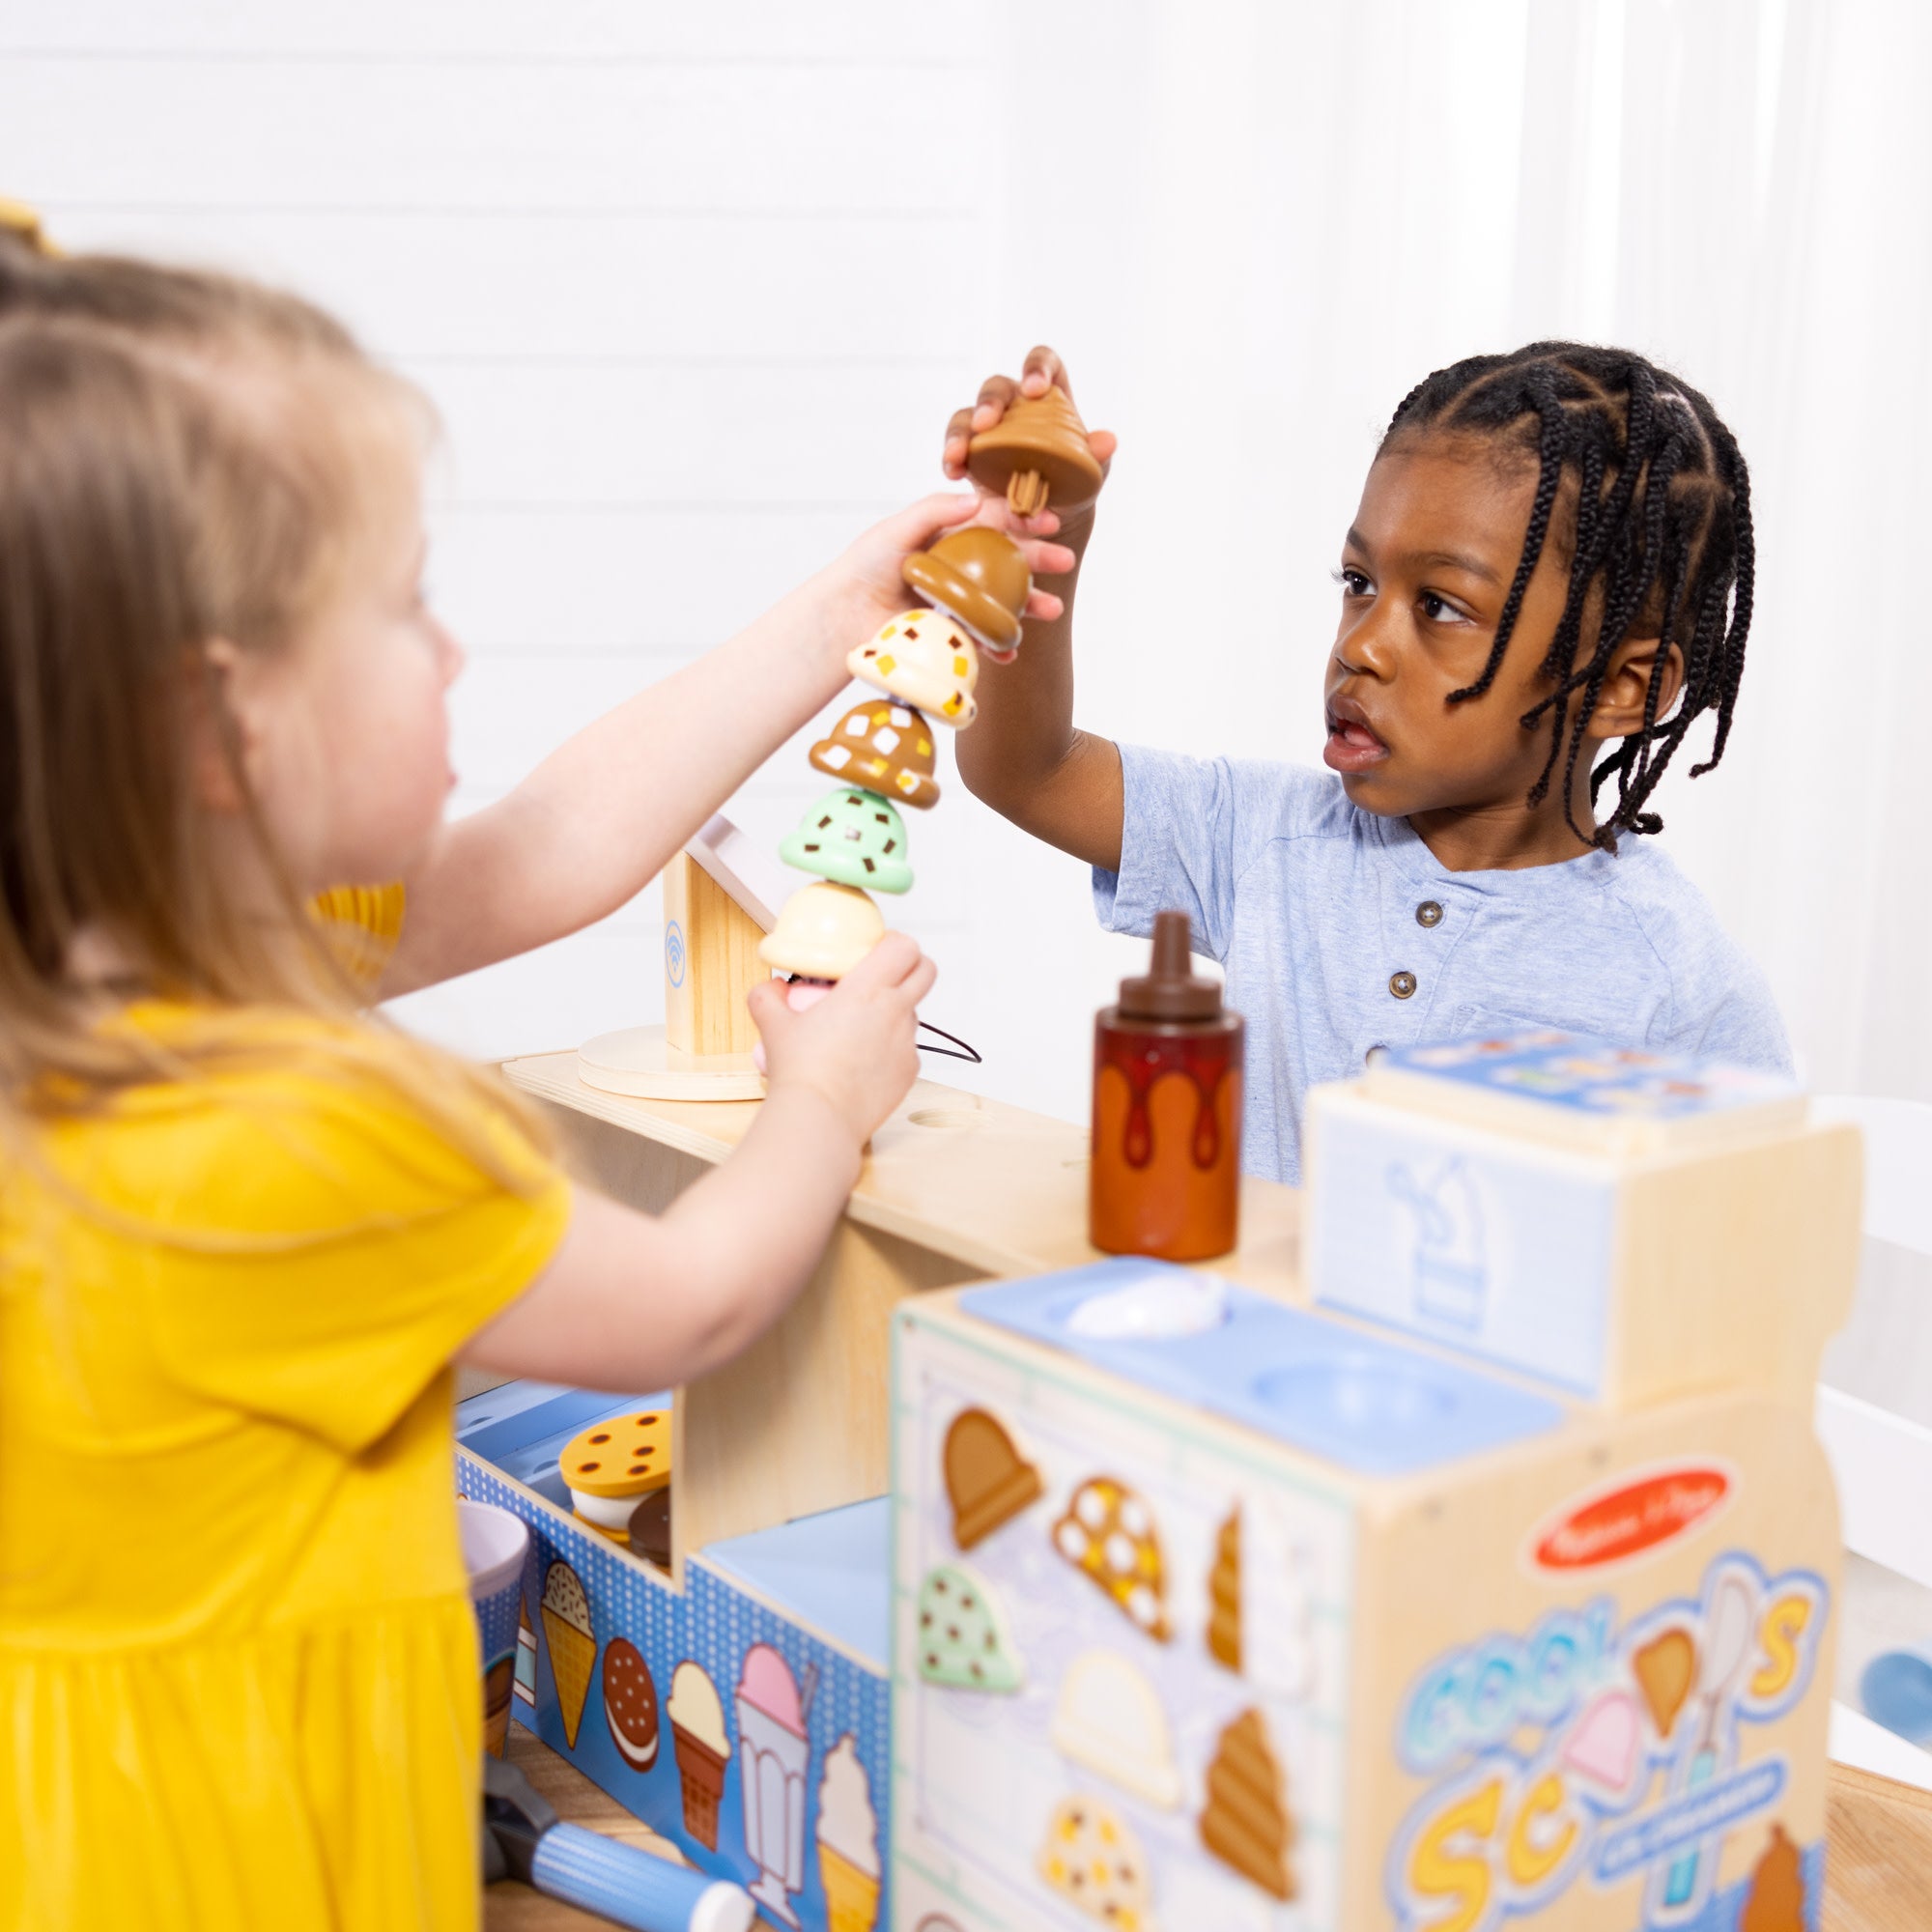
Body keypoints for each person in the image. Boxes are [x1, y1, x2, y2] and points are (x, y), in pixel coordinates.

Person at [0, 231, 1066, 1929]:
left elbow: (549, 847)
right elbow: (683, 1307)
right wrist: (824, 1098)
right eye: (403, 603)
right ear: (218, 731)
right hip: (238, 1848)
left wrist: (831, 620)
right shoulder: (289, 1123)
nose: (452, 657)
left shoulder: (125, 981)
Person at [949, 345, 1790, 1185]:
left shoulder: (1682, 991)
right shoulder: (1269, 840)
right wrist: (1032, 565)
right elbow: (1029, 769)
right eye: (1358, 582)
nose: (1361, 645)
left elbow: (1739, 1275)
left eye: (1440, 606)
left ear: (1622, 686)